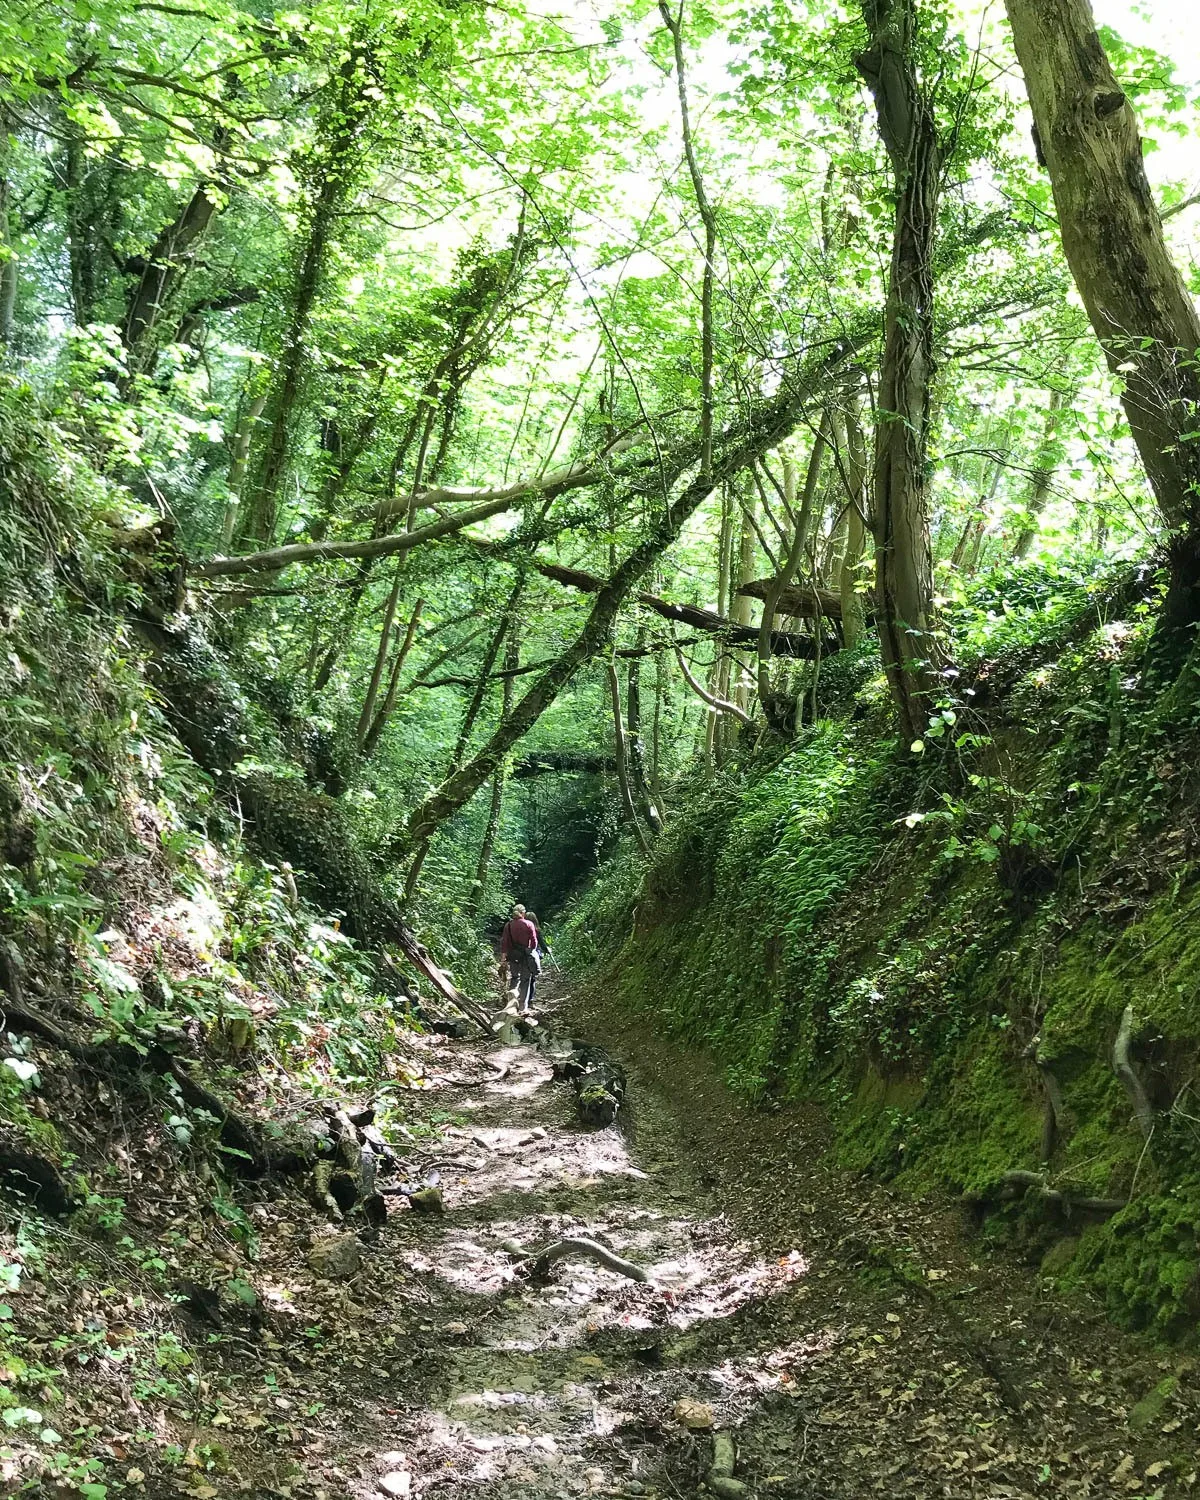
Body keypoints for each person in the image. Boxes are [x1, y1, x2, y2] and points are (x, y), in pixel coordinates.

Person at [499, 903, 540, 1014]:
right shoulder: (529, 924)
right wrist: (529, 950)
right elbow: (534, 942)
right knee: (525, 980)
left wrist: (503, 958)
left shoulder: (508, 925)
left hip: (513, 956)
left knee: (514, 978)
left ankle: (511, 1004)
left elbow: (505, 942)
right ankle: (523, 1007)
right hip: (525, 957)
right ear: (523, 913)